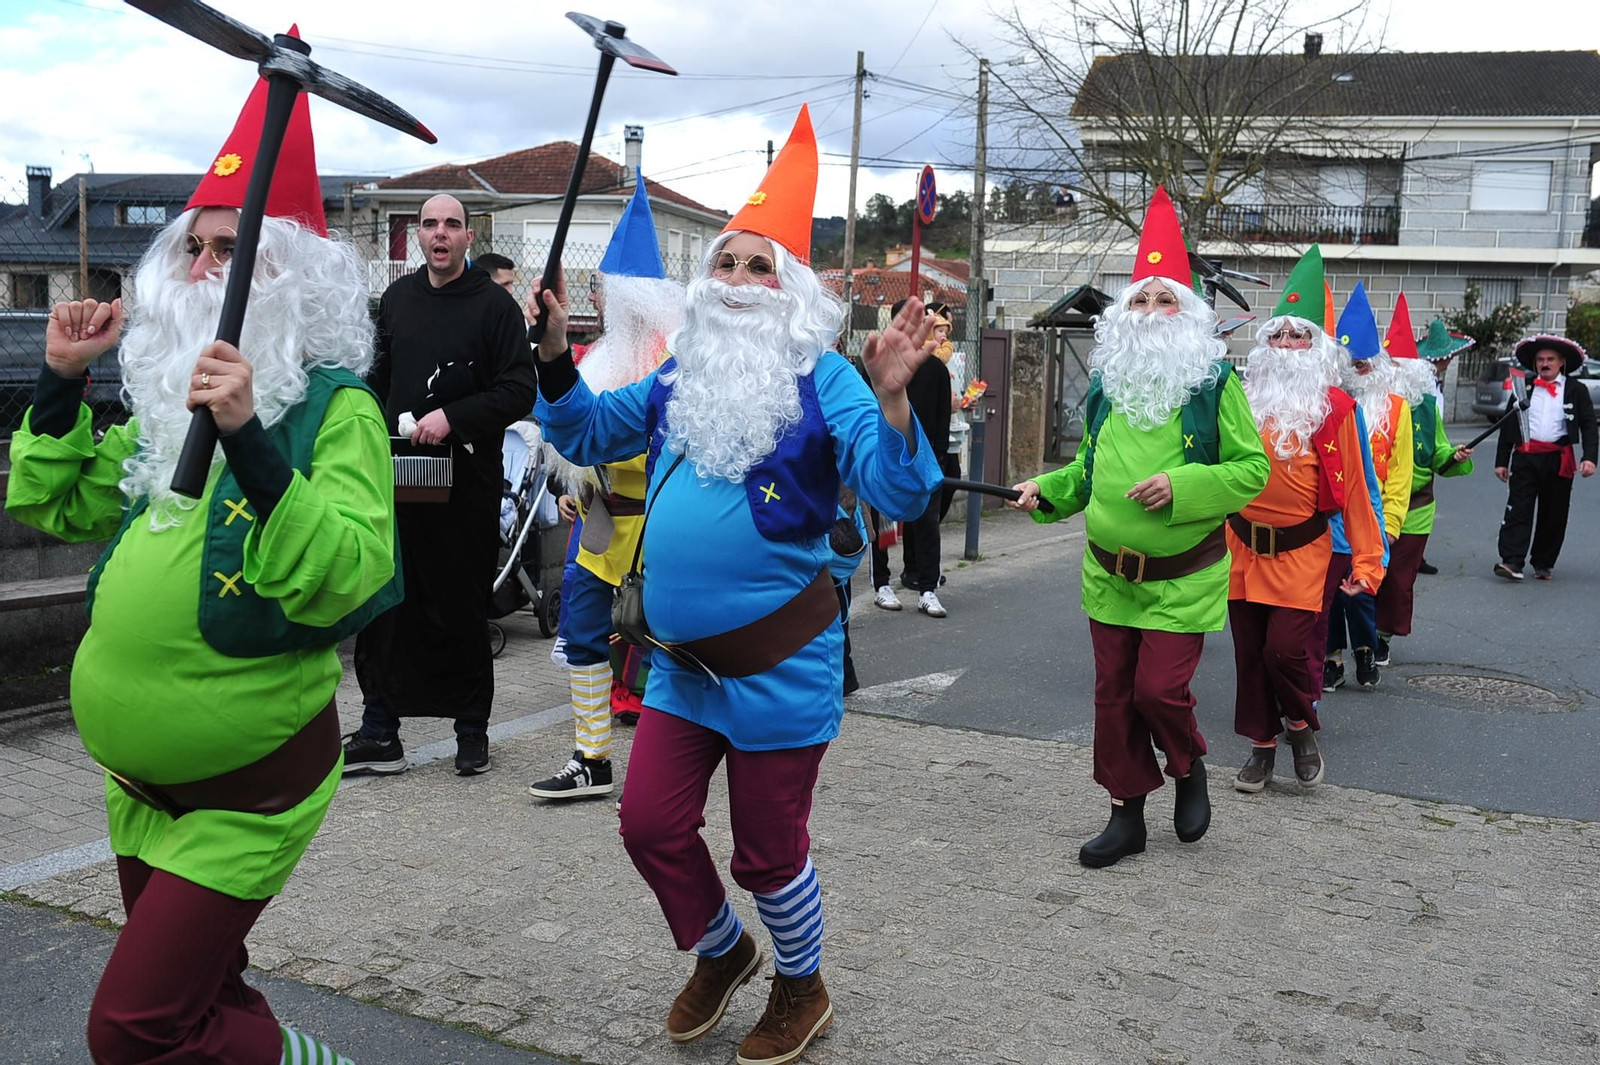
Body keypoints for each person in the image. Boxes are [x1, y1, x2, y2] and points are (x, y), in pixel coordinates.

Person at [526, 105, 943, 1065]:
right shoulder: (679, 376)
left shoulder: (829, 380)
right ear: (705, 283)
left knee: (767, 852)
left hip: (780, 667)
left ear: (791, 289)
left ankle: (803, 983)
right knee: (648, 825)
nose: (741, 280)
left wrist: (891, 396)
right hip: (680, 667)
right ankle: (722, 949)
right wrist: (551, 355)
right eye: (728, 263)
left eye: (762, 267)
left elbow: (896, 491)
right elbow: (584, 430)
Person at [5, 51, 395, 1064]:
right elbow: (58, 504)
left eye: (238, 248)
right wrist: (61, 381)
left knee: (135, 1031)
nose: (208, 269)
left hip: (247, 791)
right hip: (135, 789)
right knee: (205, 1001)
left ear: (294, 276)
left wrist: (250, 439)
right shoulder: (161, 391)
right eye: (198, 247)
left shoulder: (335, 408)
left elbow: (349, 573)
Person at [1010, 186, 1270, 869]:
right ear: (1123, 313)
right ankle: (1126, 815)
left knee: (1158, 691)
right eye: (1141, 300)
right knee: (1114, 699)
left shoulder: (1214, 385)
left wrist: (1182, 486)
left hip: (1182, 576)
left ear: (1188, 314)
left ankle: (1187, 764)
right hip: (1108, 574)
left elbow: (1252, 470)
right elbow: (1087, 472)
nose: (1151, 312)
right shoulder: (1109, 386)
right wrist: (1044, 490)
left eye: (1166, 300)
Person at [344, 193, 537, 775]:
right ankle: (380, 730)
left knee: (460, 604)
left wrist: (452, 417)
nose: (440, 233)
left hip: (466, 485)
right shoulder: (397, 300)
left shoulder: (495, 307)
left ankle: (471, 731)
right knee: (389, 604)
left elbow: (518, 391)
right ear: (419, 237)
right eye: (429, 224)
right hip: (398, 477)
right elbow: (377, 379)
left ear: (469, 237)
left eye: (452, 224)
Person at [530, 171, 682, 800]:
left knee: (667, 644)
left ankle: (665, 766)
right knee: (585, 636)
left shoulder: (675, 364)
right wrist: (571, 485)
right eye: (606, 291)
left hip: (660, 531)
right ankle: (591, 757)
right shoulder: (596, 358)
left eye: (620, 291)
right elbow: (568, 429)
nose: (613, 302)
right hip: (598, 529)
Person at [1225, 246, 1386, 793]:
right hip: (1242, 548)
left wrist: (1368, 562)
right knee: (1250, 655)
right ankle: (1262, 747)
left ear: (1316, 347)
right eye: (1279, 335)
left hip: (1302, 552)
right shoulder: (1241, 398)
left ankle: (1298, 725)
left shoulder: (1337, 408)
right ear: (1264, 344)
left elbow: (1359, 490)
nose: (1287, 344)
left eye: (1299, 336)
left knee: (1285, 650)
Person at [1317, 282, 1410, 692]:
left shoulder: (1397, 408)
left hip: (1371, 517)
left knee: (1361, 593)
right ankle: (1332, 658)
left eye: (1361, 366)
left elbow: (1400, 474)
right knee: (1330, 595)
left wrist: (1389, 524)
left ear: (1377, 366)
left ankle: (1366, 649)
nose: (1353, 374)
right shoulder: (1329, 406)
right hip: (1330, 520)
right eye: (1348, 365)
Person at [1374, 294, 1474, 664]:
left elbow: (1439, 453)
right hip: (1371, 507)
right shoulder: (1370, 405)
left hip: (1414, 511)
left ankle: (1382, 637)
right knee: (1365, 575)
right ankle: (1359, 637)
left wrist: (1454, 456)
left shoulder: (1427, 408)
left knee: (1398, 580)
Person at [1493, 334, 1597, 580]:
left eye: (1550, 359)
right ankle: (1512, 561)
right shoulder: (1523, 387)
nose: (1545, 363)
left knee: (1554, 513)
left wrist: (1590, 457)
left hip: (1558, 458)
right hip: (1525, 457)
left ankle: (1543, 562)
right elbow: (1508, 425)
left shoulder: (1576, 389)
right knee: (1518, 508)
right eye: (1541, 359)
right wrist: (1501, 461)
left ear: (1561, 362)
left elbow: (1589, 425)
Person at [870, 297, 950, 616]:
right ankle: (881, 584)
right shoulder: (877, 365)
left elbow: (942, 417)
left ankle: (927, 588)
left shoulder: (935, 368)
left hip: (924, 462)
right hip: (885, 458)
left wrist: (938, 460)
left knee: (927, 525)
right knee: (883, 525)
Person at [1414, 319, 1476, 575]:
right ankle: (1414, 554)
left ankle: (1417, 553)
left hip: (1433, 443)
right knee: (1418, 501)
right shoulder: (1423, 383)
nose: (1449, 362)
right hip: (1421, 446)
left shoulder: (1434, 381)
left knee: (1425, 503)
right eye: (1448, 357)